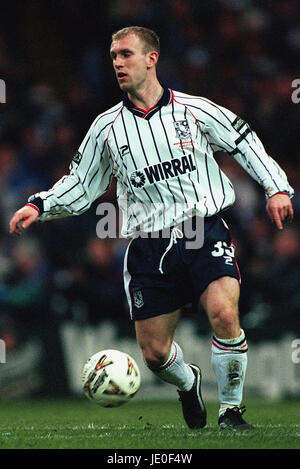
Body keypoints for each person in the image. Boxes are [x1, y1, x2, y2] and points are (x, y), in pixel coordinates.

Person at [9, 26, 294, 430]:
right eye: (113, 57)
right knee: (156, 354)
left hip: (203, 229)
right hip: (149, 246)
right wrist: (39, 204)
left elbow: (244, 142)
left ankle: (231, 411)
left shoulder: (196, 110)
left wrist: (276, 188)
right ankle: (189, 381)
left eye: (126, 54)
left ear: (151, 58)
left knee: (223, 312)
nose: (118, 63)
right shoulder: (106, 128)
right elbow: (81, 184)